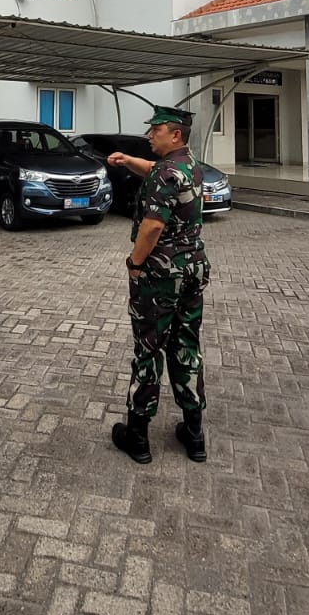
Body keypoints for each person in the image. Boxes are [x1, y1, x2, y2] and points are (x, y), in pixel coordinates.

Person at [105, 106, 211, 465]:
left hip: (161, 277)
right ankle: (194, 434)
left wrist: (135, 264)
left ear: (175, 134)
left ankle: (137, 436)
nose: (150, 135)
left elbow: (152, 226)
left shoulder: (166, 173)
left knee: (148, 350)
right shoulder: (189, 165)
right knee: (186, 346)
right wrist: (128, 160)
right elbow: (154, 168)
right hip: (192, 271)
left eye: (156, 130)